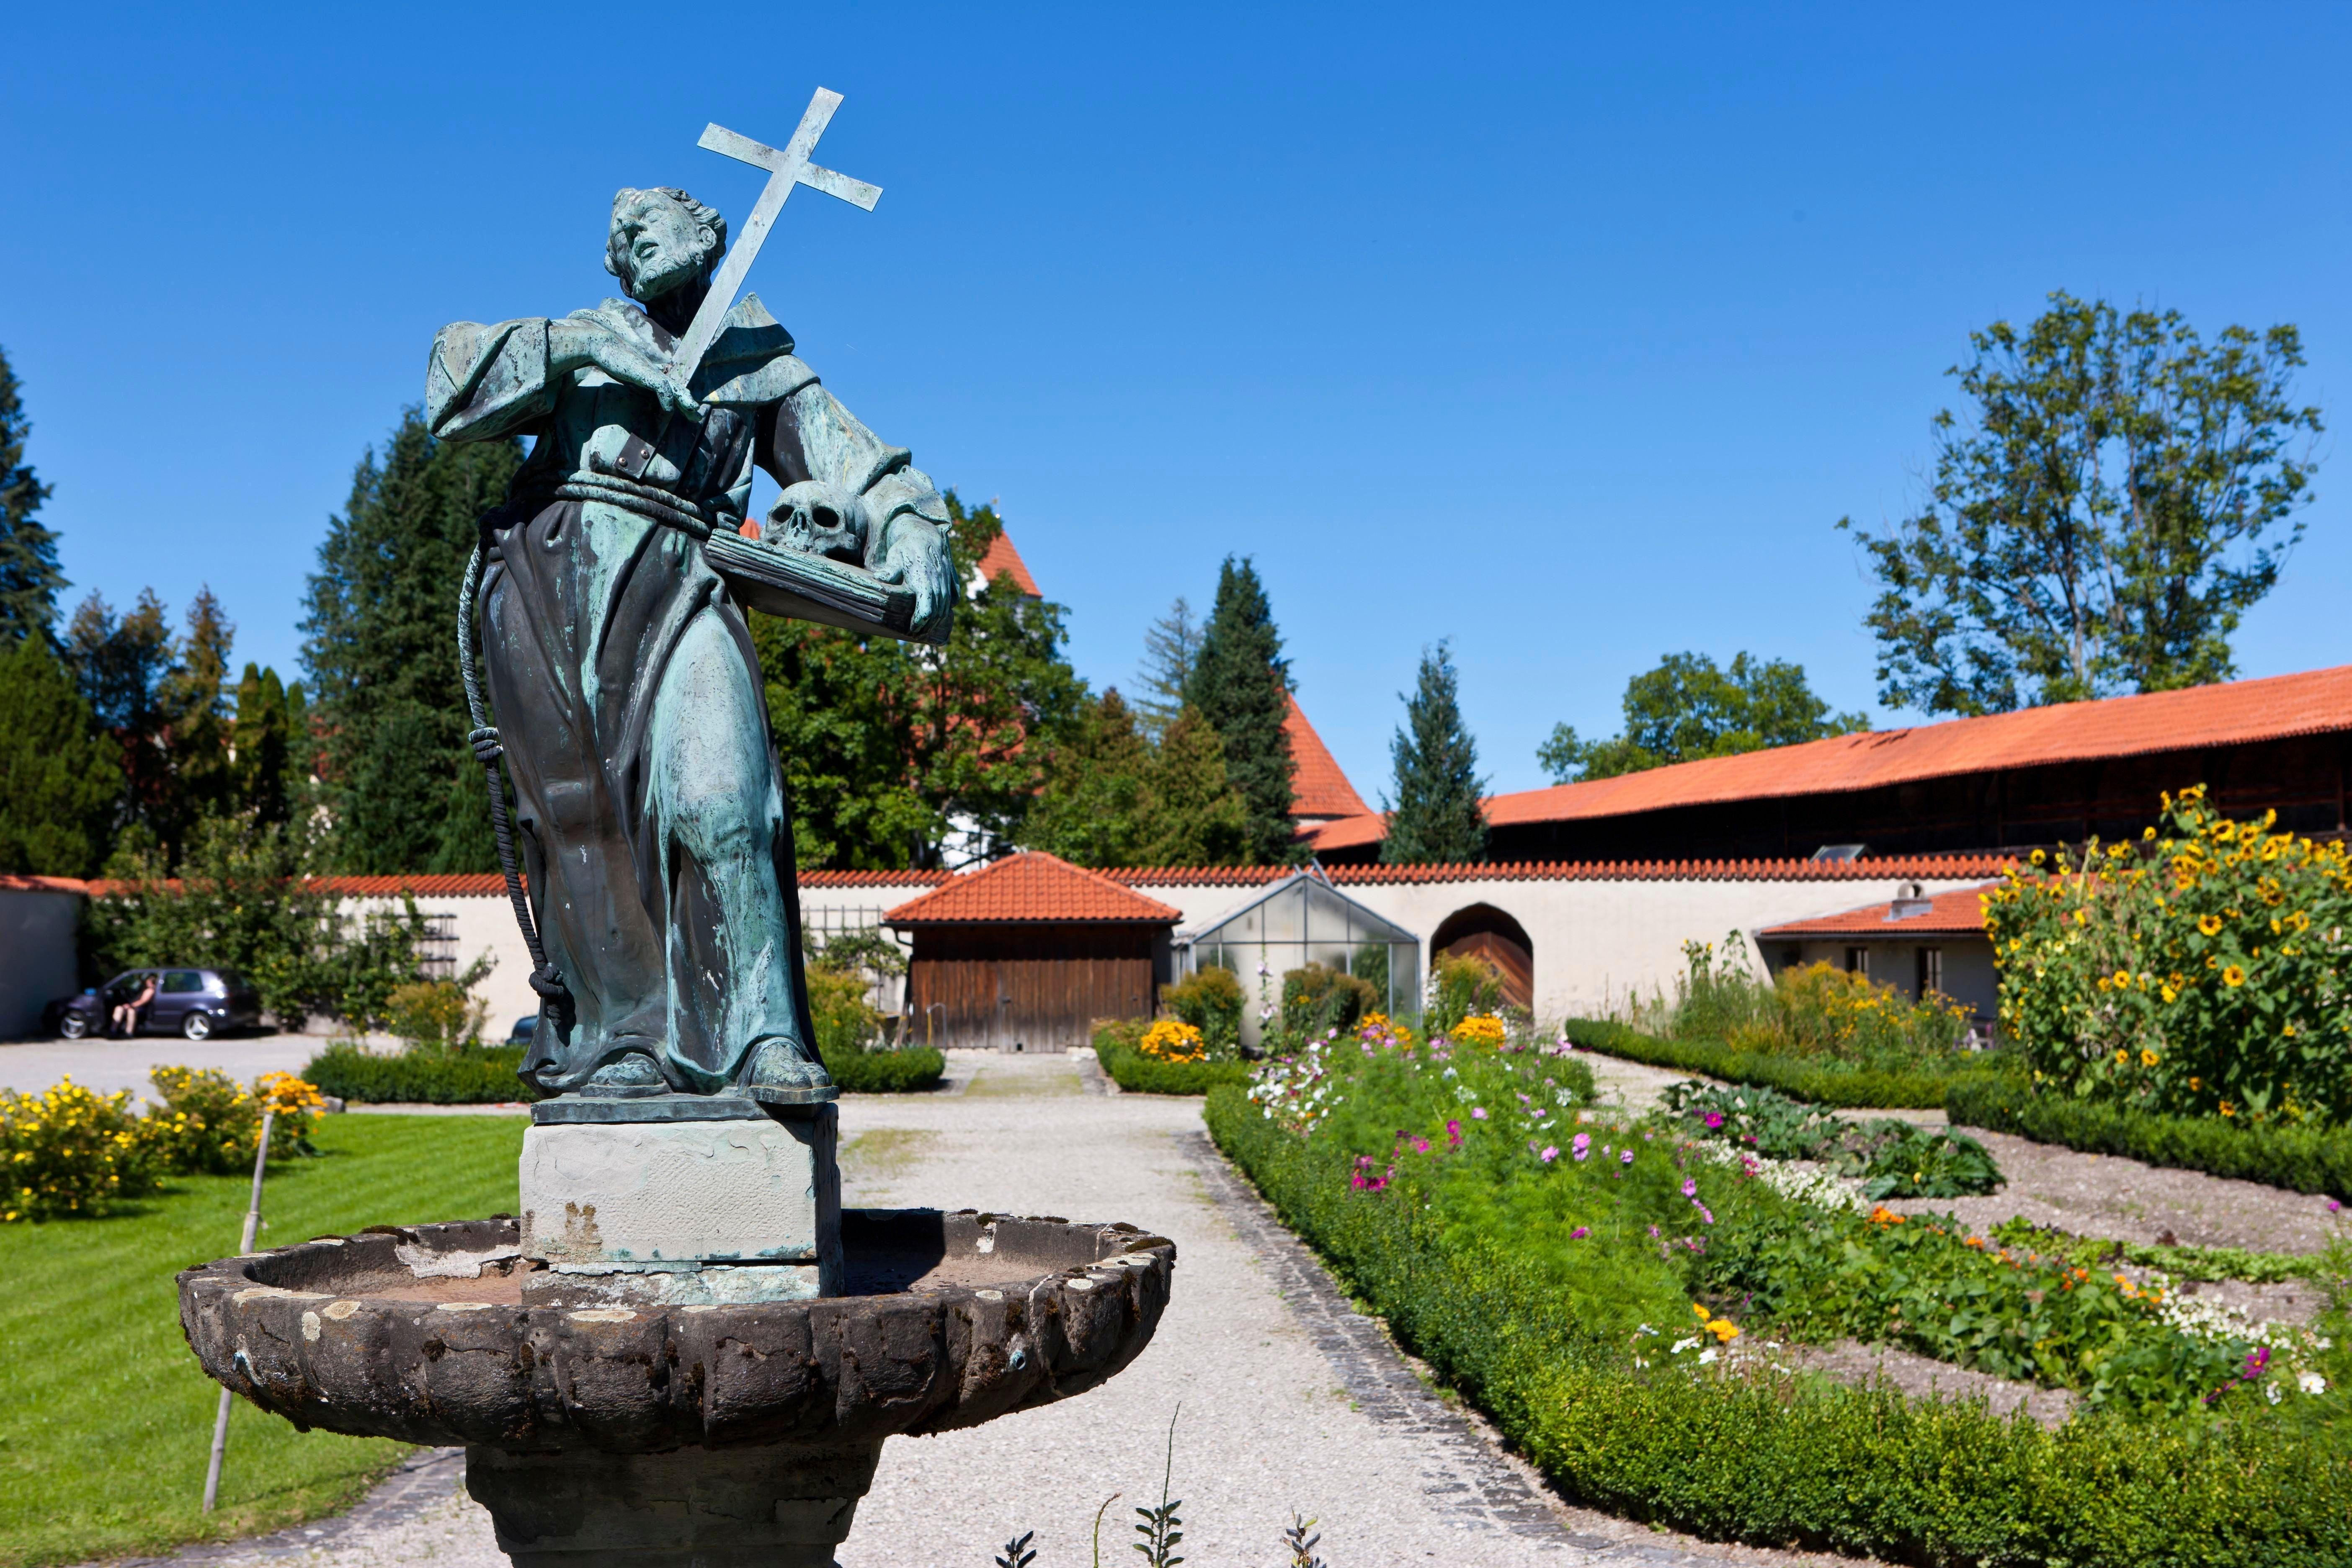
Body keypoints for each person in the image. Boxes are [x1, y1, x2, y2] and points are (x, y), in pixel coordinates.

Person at [428, 186, 952, 1103]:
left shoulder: (760, 363)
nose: (627, 242)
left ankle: (762, 1041)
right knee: (578, 822)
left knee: (723, 797)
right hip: (551, 590)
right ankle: (617, 1040)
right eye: (617, 237)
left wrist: (910, 536)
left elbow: (865, 470)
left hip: (686, 580)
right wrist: (584, 348)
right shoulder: (585, 340)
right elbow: (450, 387)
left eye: (647, 222)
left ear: (709, 234)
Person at [111, 973, 156, 1038]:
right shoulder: (145, 989)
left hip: (141, 1008)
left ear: (150, 982)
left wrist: (130, 1006)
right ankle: (114, 1030)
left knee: (131, 1011)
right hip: (135, 1007)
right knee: (119, 1009)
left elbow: (143, 1001)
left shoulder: (150, 990)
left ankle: (129, 1032)